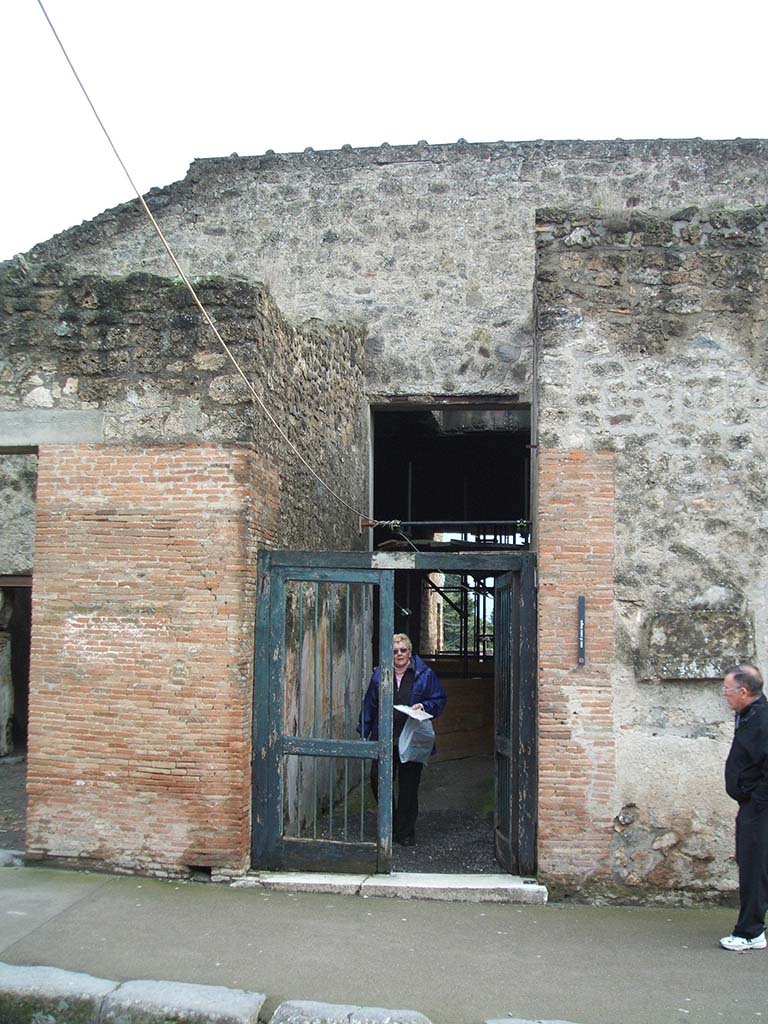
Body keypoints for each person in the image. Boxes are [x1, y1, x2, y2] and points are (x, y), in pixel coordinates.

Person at [360, 633, 446, 846]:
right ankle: (391, 824)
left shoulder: (424, 674)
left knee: (409, 787)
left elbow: (439, 699)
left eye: (403, 650)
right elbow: (370, 702)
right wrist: (364, 729)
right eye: (395, 650)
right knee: (378, 781)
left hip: (412, 737)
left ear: (410, 651)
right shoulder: (380, 674)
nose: (399, 654)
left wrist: (423, 706)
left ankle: (405, 833)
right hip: (385, 738)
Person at [720, 663, 768, 951]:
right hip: (752, 804)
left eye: (727, 690)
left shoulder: (762, 720)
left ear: (744, 691)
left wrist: (758, 801)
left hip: (759, 807)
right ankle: (752, 928)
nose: (724, 694)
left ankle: (749, 933)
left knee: (753, 866)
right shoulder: (748, 714)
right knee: (752, 863)